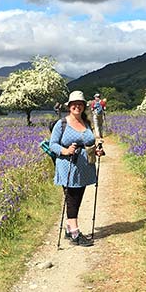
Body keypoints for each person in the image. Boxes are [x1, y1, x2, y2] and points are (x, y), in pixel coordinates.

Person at [49, 90, 104, 246]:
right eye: (74, 104)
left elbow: (90, 142)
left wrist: (97, 150)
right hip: (68, 165)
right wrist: (65, 151)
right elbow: (53, 144)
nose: (77, 107)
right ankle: (74, 233)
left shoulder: (86, 123)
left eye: (80, 104)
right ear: (69, 106)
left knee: (78, 197)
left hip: (84, 166)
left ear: (83, 106)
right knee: (72, 197)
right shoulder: (62, 124)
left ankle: (69, 227)